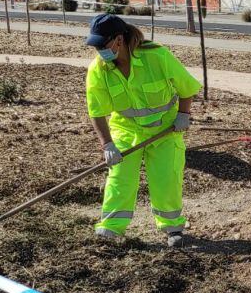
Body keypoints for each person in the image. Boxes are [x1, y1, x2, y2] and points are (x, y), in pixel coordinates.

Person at [83, 14, 201, 248]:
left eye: (101, 45)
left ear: (118, 40)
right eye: (95, 46)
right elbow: (96, 112)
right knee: (119, 178)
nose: (98, 51)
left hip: (165, 130)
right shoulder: (99, 70)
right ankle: (111, 229)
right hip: (126, 130)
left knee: (167, 178)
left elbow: (186, 87)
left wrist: (183, 115)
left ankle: (172, 228)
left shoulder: (156, 56)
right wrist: (107, 144)